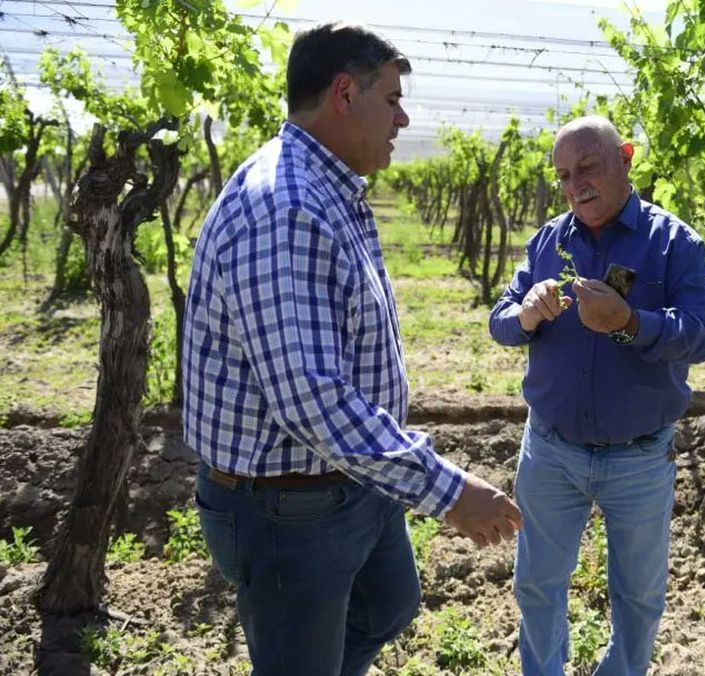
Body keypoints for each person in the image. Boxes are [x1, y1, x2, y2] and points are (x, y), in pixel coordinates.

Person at [182, 23, 522, 676]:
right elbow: (310, 396)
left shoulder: (328, 190)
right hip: (288, 509)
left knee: (388, 606)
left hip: (349, 480)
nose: (404, 116)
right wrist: (447, 491)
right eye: (391, 98)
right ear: (345, 92)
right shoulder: (285, 207)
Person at [489, 115, 705, 675]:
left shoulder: (675, 244)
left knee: (639, 597)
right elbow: (500, 320)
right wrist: (525, 314)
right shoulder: (549, 240)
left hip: (639, 458)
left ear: (627, 157)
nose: (575, 186)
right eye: (564, 175)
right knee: (538, 586)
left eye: (587, 167)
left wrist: (632, 322)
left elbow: (702, 336)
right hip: (550, 450)